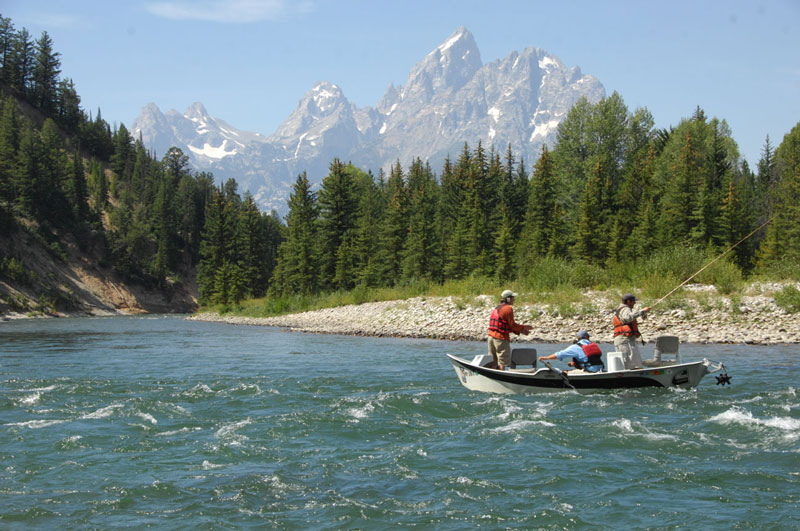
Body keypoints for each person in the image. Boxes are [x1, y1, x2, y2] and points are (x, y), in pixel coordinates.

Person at [487, 289, 532, 370]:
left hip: (491, 337)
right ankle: (502, 378)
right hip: (500, 339)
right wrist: (523, 328)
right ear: (508, 299)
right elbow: (512, 325)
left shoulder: (497, 307)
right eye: (512, 298)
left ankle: (494, 378)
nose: (514, 299)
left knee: (493, 361)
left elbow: (507, 325)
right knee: (502, 362)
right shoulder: (508, 309)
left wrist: (521, 330)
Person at [613, 293, 651, 369]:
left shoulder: (624, 309)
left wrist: (643, 313)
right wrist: (642, 311)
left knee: (632, 364)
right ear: (628, 301)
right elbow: (628, 318)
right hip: (625, 340)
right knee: (633, 366)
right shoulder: (625, 309)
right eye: (633, 301)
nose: (635, 303)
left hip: (625, 340)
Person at [538, 330, 604, 373]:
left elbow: (559, 355)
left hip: (590, 371)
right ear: (586, 338)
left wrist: (545, 358)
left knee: (564, 372)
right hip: (600, 370)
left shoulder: (576, 347)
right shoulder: (593, 345)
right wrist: (575, 364)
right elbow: (590, 359)